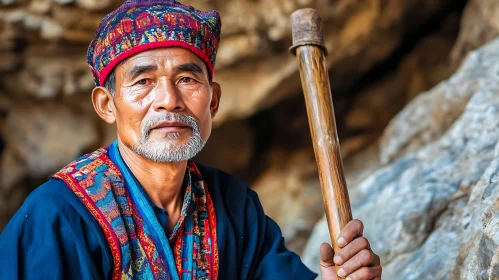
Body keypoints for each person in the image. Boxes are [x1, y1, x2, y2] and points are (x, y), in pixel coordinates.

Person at [0, 0, 382, 279]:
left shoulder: (233, 206)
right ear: (107, 105)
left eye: (187, 79)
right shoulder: (57, 218)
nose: (169, 100)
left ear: (212, 100)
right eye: (143, 82)